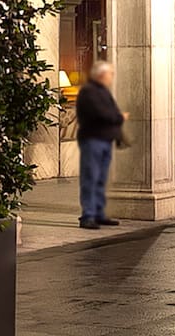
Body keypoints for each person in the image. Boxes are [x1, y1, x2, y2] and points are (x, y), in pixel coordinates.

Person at [75, 57, 124, 228]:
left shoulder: (103, 91)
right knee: (90, 177)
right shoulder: (88, 92)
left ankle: (98, 213)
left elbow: (112, 112)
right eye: (110, 74)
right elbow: (103, 114)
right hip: (92, 140)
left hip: (104, 140)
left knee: (101, 179)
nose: (112, 77)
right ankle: (88, 215)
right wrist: (118, 117)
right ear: (101, 75)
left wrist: (116, 117)